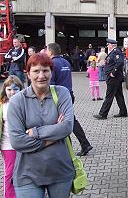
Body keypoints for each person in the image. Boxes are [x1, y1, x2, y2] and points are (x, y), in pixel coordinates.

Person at [7, 53, 75, 198]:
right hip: (27, 174)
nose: (41, 75)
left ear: (51, 72)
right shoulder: (17, 101)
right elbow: (17, 141)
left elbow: (67, 127)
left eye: (45, 70)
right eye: (36, 71)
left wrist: (35, 132)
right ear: (28, 74)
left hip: (60, 171)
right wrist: (53, 136)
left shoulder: (62, 94)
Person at [47, 43, 93, 156]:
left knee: (64, 122)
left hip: (57, 97)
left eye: (47, 51)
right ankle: (84, 144)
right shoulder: (66, 62)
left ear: (51, 52)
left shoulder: (52, 64)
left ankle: (70, 148)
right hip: (69, 94)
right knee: (70, 120)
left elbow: (51, 83)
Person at [0, 76, 23, 198]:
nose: (12, 92)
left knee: (25, 172)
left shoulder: (25, 103)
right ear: (5, 90)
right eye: (9, 89)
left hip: (24, 143)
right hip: (8, 144)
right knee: (10, 172)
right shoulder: (2, 105)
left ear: (21, 89)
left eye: (15, 89)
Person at [94, 39, 128, 119]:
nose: (107, 46)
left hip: (114, 78)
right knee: (119, 95)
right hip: (114, 78)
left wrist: (113, 72)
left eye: (108, 44)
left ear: (112, 45)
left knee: (109, 96)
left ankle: (103, 114)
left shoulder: (116, 51)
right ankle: (123, 112)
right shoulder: (113, 52)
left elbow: (120, 62)